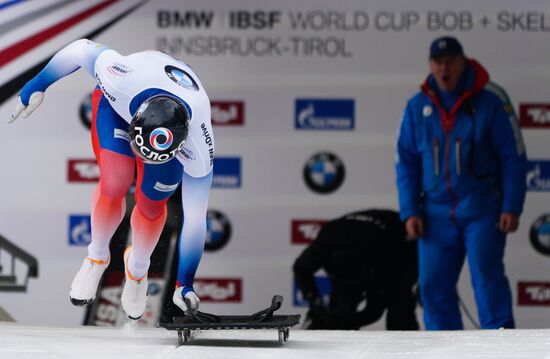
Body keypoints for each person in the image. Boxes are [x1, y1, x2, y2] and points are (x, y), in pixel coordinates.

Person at [8, 39, 215, 320]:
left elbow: (195, 219)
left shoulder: (200, 144)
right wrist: (36, 85)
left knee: (152, 203)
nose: (144, 159)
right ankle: (96, 256)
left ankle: (138, 270)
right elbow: (80, 50)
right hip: (118, 108)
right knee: (116, 180)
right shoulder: (120, 78)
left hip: (164, 111)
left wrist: (185, 282)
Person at [395, 36, 527, 330]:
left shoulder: (492, 99)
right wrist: (410, 211)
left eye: (450, 62)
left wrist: (511, 206)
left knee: (486, 279)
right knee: (432, 287)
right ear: (430, 66)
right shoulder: (417, 107)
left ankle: (501, 351)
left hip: (482, 209)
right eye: (438, 63)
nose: (444, 69)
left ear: (463, 62)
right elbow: (405, 163)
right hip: (435, 215)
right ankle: (444, 351)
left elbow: (513, 156)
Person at [293, 209, 419, 330]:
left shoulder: (383, 256)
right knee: (336, 312)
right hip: (354, 234)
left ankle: (406, 345)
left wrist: (354, 320)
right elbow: (301, 268)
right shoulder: (325, 244)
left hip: (401, 242)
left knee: (399, 306)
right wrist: (314, 299)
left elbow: (374, 311)